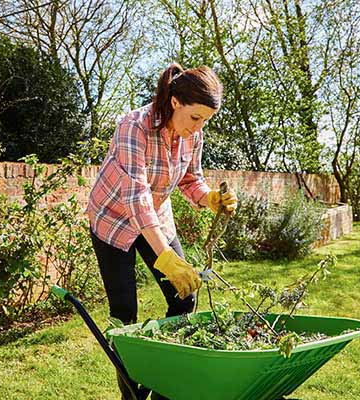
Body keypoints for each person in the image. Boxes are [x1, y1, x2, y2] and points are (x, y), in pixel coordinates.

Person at [86, 63, 238, 399]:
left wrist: (209, 198)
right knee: (124, 314)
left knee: (186, 296)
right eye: (195, 118)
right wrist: (165, 256)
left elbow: (189, 179)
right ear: (175, 102)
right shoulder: (133, 126)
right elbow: (135, 195)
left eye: (205, 121)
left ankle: (164, 383)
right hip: (113, 219)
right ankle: (132, 393)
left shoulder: (192, 135)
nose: (198, 127)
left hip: (155, 217)